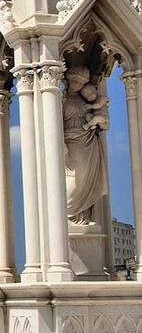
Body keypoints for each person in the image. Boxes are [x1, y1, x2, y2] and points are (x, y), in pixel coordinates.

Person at [63, 65, 108, 224]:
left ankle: (83, 217)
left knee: (86, 179)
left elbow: (104, 123)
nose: (77, 85)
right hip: (72, 142)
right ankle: (69, 215)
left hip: (89, 142)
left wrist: (99, 118)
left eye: (81, 82)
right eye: (75, 80)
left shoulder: (87, 99)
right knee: (75, 180)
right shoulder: (60, 98)